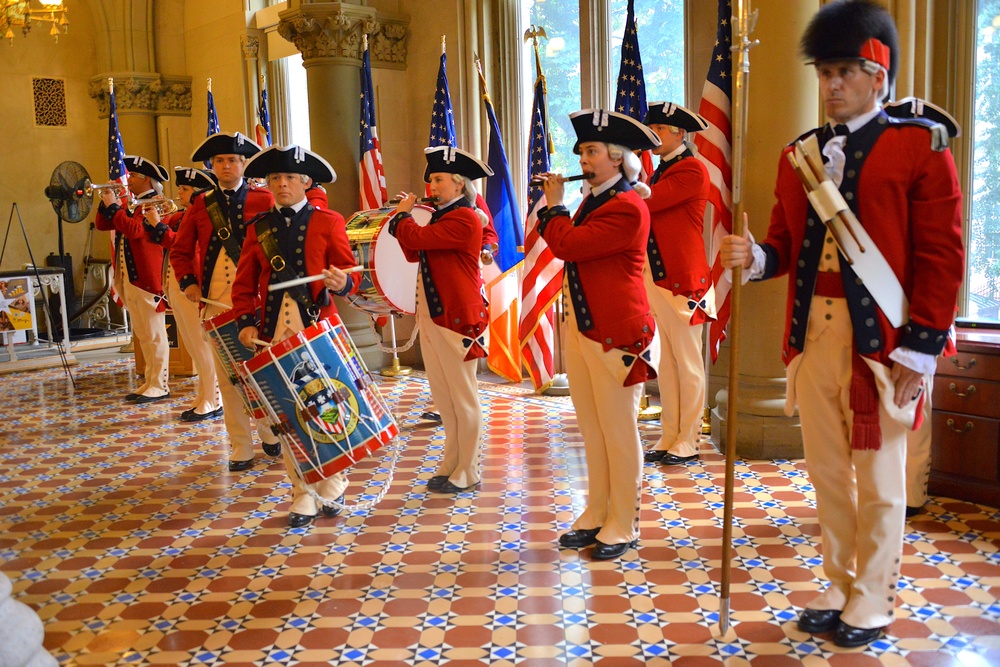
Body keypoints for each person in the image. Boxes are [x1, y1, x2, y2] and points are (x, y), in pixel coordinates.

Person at [719, 0, 964, 647]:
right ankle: (839, 580)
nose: (829, 86)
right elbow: (783, 246)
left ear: (878, 76)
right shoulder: (798, 154)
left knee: (881, 477)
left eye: (844, 73)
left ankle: (874, 596)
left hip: (883, 344)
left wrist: (920, 348)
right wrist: (753, 259)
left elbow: (943, 256)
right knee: (826, 472)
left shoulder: (919, 146)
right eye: (824, 72)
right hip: (814, 336)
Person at [535, 109, 661, 561]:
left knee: (619, 431)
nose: (583, 160)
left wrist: (554, 206)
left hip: (618, 336)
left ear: (615, 157)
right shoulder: (595, 200)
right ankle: (597, 510)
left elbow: (568, 244)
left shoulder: (627, 207)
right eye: (583, 152)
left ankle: (623, 522)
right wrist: (558, 210)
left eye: (590, 152)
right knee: (592, 430)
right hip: (587, 331)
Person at [231, 145, 362, 528]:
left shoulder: (330, 221)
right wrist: (245, 321)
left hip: (318, 329)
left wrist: (344, 281)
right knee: (287, 414)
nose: (281, 184)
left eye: (288, 178)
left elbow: (348, 272)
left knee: (327, 407)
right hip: (273, 333)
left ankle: (334, 480)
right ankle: (302, 491)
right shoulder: (259, 228)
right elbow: (244, 284)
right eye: (275, 179)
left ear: (306, 182)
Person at [170, 132, 281, 472]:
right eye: (219, 161)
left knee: (262, 371)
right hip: (216, 302)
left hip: (258, 302)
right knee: (229, 376)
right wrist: (188, 282)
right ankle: (240, 446)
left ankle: (269, 431)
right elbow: (180, 249)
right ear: (213, 166)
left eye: (232, 160)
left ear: (244, 164)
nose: (226, 166)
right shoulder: (202, 204)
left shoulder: (264, 199)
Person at [390, 146, 492, 494]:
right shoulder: (441, 215)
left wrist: (404, 217)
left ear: (459, 183)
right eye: (431, 180)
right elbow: (412, 248)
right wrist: (405, 223)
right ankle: (452, 461)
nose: (431, 186)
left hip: (457, 319)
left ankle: (470, 469)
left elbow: (415, 238)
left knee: (463, 398)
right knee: (444, 397)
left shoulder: (465, 216)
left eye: (437, 179)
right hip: (435, 316)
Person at [640, 102, 716, 467]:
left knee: (687, 364)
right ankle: (670, 434)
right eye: (651, 126)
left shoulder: (692, 170)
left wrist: (619, 182)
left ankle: (688, 440)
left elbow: (652, 202)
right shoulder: (660, 171)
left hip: (685, 281)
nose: (654, 132)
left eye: (660, 127)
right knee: (666, 363)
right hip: (658, 278)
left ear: (680, 133)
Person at [145, 167, 223, 422]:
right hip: (174, 288)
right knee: (191, 345)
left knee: (202, 347)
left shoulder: (207, 217)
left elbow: (183, 246)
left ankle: (213, 399)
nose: (178, 192)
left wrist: (158, 225)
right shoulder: (181, 215)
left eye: (185, 189)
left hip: (193, 289)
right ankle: (204, 394)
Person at [96, 155, 172, 404]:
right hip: (129, 277)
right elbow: (102, 225)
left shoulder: (154, 204)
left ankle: (160, 384)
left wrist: (116, 207)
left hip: (147, 280)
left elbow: (136, 230)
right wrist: (105, 204)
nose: (127, 178)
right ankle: (150, 380)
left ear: (146, 179)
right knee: (142, 334)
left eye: (133, 175)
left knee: (154, 334)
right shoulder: (134, 204)